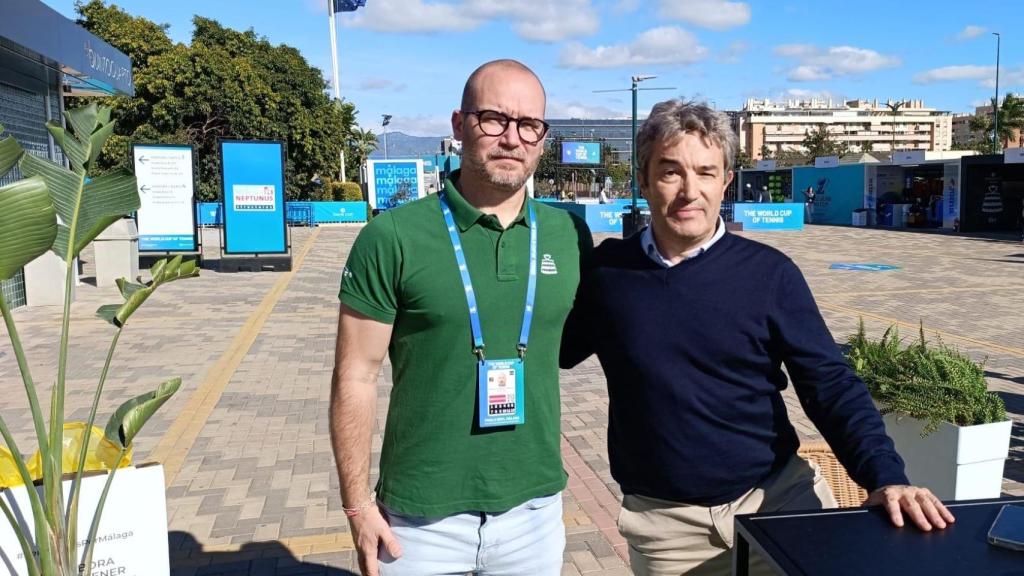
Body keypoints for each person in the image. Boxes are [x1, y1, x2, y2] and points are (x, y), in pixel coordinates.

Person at [560, 99, 954, 576]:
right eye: (670, 172)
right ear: (643, 181)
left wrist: (885, 477)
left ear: (726, 181)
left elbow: (829, 383)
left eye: (706, 172)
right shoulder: (608, 274)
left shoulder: (770, 275)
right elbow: (548, 350)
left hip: (778, 502)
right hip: (668, 530)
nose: (690, 191)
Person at [331, 59, 591, 576]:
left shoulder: (569, 235)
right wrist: (358, 507)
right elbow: (355, 375)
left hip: (533, 514)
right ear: (458, 125)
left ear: (542, 137)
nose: (511, 138)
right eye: (493, 118)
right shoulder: (393, 237)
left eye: (529, 125)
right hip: (419, 522)